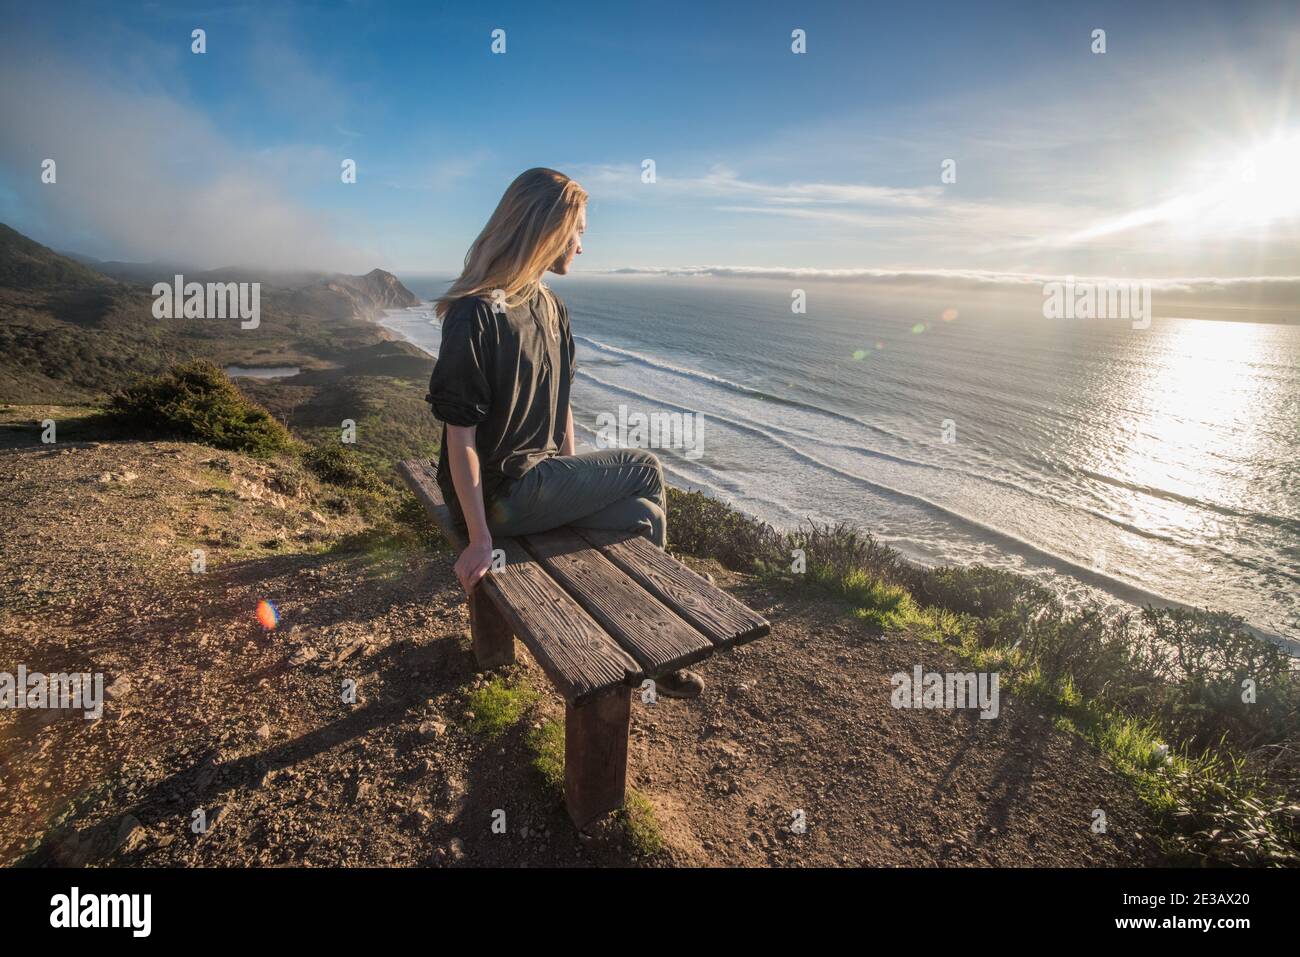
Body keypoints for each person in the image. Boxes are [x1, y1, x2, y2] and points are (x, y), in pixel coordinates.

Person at [425, 167, 703, 698]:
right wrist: (480, 538)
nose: (581, 245)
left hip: (541, 487)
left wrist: (572, 480)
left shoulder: (551, 307)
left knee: (645, 517)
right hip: (500, 496)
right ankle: (664, 642)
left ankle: (650, 631)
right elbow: (459, 439)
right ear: (548, 229)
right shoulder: (475, 314)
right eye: (578, 233)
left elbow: (563, 405)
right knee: (645, 468)